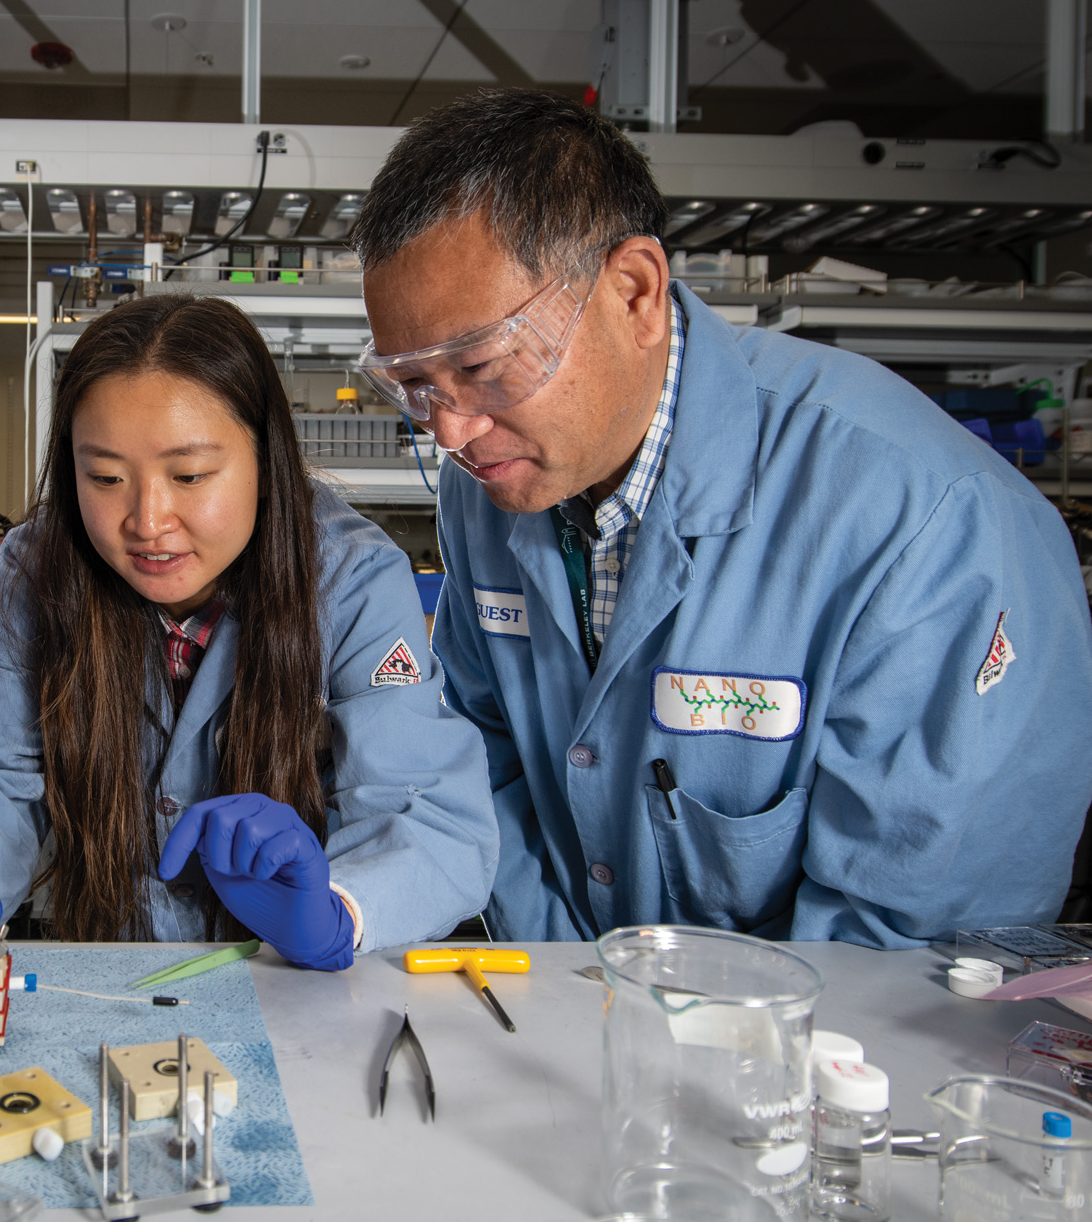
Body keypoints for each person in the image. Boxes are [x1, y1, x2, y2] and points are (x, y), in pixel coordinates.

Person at [354, 88, 1092, 947]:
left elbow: (918, 952)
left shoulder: (923, 523)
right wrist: (574, 1005)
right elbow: (486, 765)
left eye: (481, 365)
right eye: (414, 386)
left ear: (634, 290)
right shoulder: (487, 488)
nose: (450, 430)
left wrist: (680, 1044)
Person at [0, 294, 498, 968]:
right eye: (104, 476)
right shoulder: (44, 565)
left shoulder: (354, 578)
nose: (147, 521)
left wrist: (343, 905)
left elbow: (428, 814)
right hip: (115, 974)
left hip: (289, 981)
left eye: (189, 475)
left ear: (265, 459)